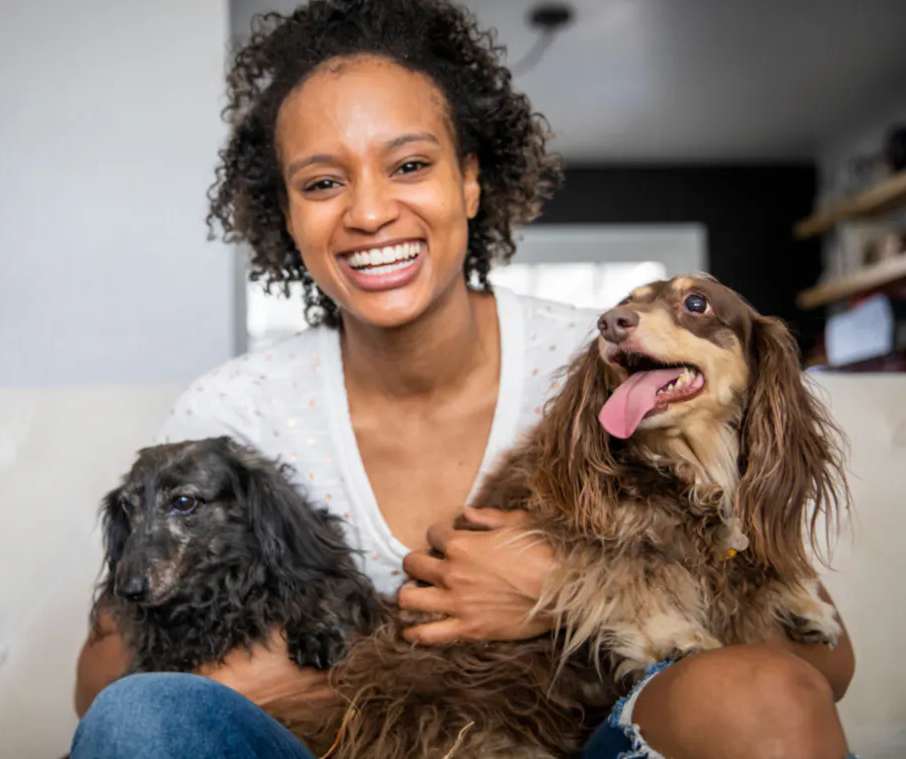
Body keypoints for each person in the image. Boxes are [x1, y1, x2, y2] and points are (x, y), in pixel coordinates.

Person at [71, 1, 856, 757]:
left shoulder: (609, 370)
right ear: (286, 213)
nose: (370, 212)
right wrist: (280, 680)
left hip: (587, 736)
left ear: (471, 180)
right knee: (143, 713)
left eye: (409, 164)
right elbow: (102, 690)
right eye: (321, 182)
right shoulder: (235, 414)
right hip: (330, 744)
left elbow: (823, 663)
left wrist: (562, 590)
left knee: (763, 694)